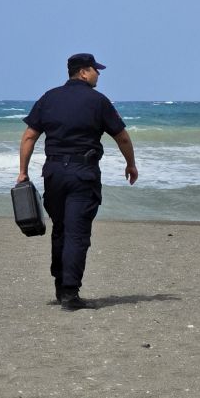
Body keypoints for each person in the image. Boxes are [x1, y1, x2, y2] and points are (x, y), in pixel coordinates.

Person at [17, 53, 139, 310]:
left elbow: (29, 136)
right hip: (82, 173)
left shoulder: (48, 98)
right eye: (96, 69)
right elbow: (123, 138)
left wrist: (22, 172)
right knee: (77, 232)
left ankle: (61, 288)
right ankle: (71, 294)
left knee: (60, 228)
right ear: (83, 72)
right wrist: (130, 164)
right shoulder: (98, 102)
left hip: (53, 173)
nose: (99, 74)